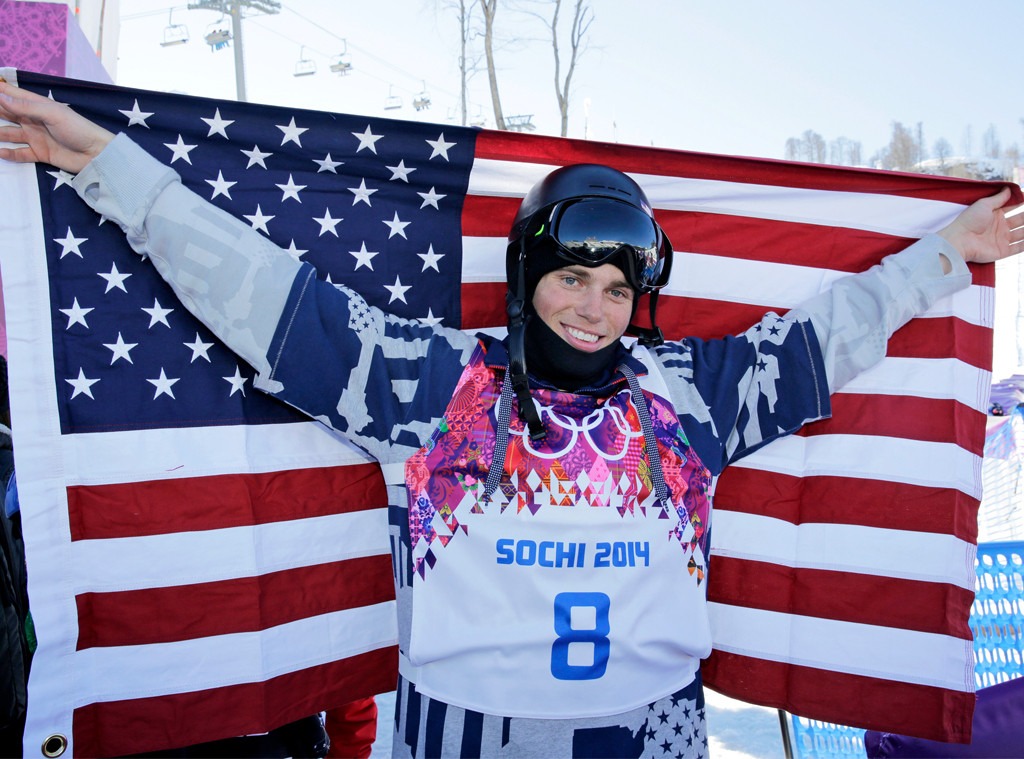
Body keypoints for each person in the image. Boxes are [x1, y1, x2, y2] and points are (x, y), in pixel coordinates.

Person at [1, 81, 1021, 759]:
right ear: (529, 275)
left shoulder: (686, 393)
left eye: (617, 291)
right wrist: (107, 164)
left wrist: (949, 251)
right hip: (465, 730)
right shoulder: (437, 385)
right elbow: (267, 299)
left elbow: (826, 336)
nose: (592, 308)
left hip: (654, 729)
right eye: (571, 278)